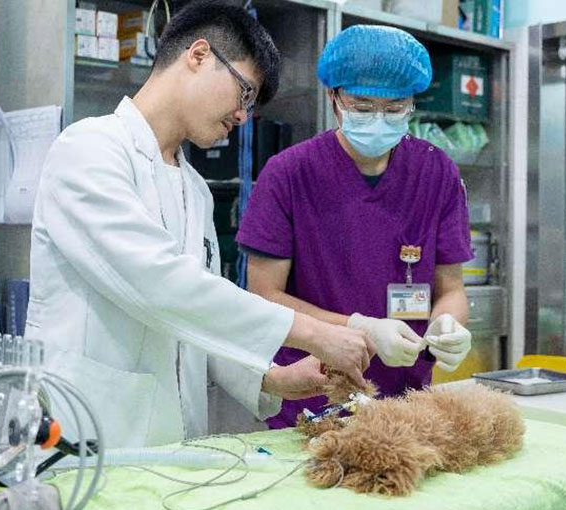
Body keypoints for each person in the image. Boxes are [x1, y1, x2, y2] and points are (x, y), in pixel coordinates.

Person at [24, 0, 374, 447]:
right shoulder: (89, 149)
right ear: (199, 55)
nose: (243, 116)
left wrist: (272, 378)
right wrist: (314, 333)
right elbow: (160, 285)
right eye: (244, 93)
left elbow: (197, 315)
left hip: (174, 444)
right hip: (88, 436)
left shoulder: (194, 188)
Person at [236, 25, 474, 428]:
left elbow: (450, 289)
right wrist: (358, 328)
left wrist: (447, 324)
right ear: (334, 98)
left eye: (394, 107)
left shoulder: (436, 172)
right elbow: (264, 297)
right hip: (311, 399)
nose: (378, 119)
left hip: (407, 403)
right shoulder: (289, 174)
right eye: (362, 107)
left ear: (412, 103)